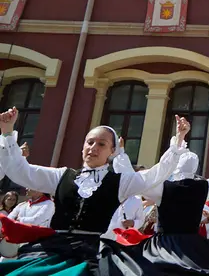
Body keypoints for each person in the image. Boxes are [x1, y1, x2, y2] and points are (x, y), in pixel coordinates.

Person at [0, 108, 188, 274]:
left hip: (91, 254)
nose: (93, 148)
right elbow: (22, 172)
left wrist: (179, 139)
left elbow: (155, 175)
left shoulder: (120, 182)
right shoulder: (61, 176)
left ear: (112, 151)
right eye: (89, 142)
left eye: (101, 144)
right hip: (52, 249)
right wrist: (8, 132)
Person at [110, 138, 209, 274]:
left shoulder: (163, 187)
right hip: (193, 246)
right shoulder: (204, 187)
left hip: (164, 246)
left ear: (177, 166)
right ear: (196, 167)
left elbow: (134, 181)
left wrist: (121, 155)